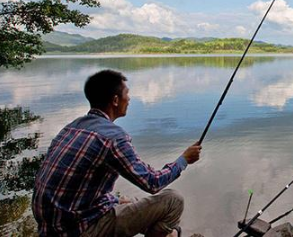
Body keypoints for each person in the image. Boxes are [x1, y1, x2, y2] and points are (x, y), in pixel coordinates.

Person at [32, 69, 202, 237]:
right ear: (115, 100)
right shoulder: (112, 137)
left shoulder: (71, 128)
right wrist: (184, 159)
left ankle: (168, 234)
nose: (129, 98)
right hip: (79, 230)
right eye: (127, 94)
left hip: (52, 228)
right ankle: (169, 235)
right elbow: (152, 183)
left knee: (128, 200)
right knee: (173, 200)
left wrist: (115, 201)